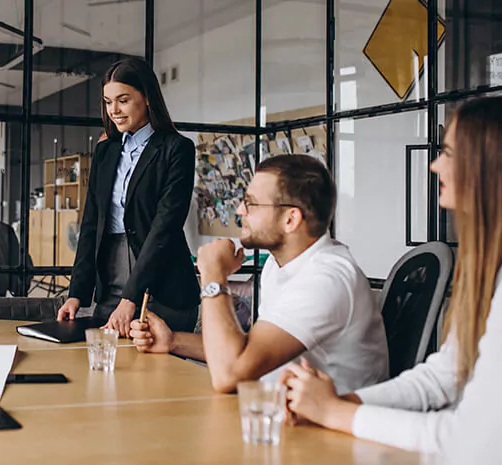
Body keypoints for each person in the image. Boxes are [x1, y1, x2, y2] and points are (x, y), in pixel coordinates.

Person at [281, 97, 502, 463]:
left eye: (448, 151)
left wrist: (337, 413)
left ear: (487, 165)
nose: (434, 165)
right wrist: (337, 404)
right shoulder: (486, 269)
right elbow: (442, 377)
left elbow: (467, 443)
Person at [130, 155, 388, 394]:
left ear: (290, 219)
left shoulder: (326, 279)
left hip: (328, 434)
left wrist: (213, 275)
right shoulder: (278, 265)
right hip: (282, 416)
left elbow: (229, 374)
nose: (240, 211)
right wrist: (173, 341)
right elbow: (247, 352)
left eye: (251, 203)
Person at [57, 57, 200, 335]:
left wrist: (131, 297)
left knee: (154, 375)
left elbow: (165, 228)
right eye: (108, 102)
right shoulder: (106, 151)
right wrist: (77, 293)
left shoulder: (177, 149)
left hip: (164, 286)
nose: (114, 110)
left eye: (123, 100)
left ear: (147, 98)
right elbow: (91, 224)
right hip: (111, 280)